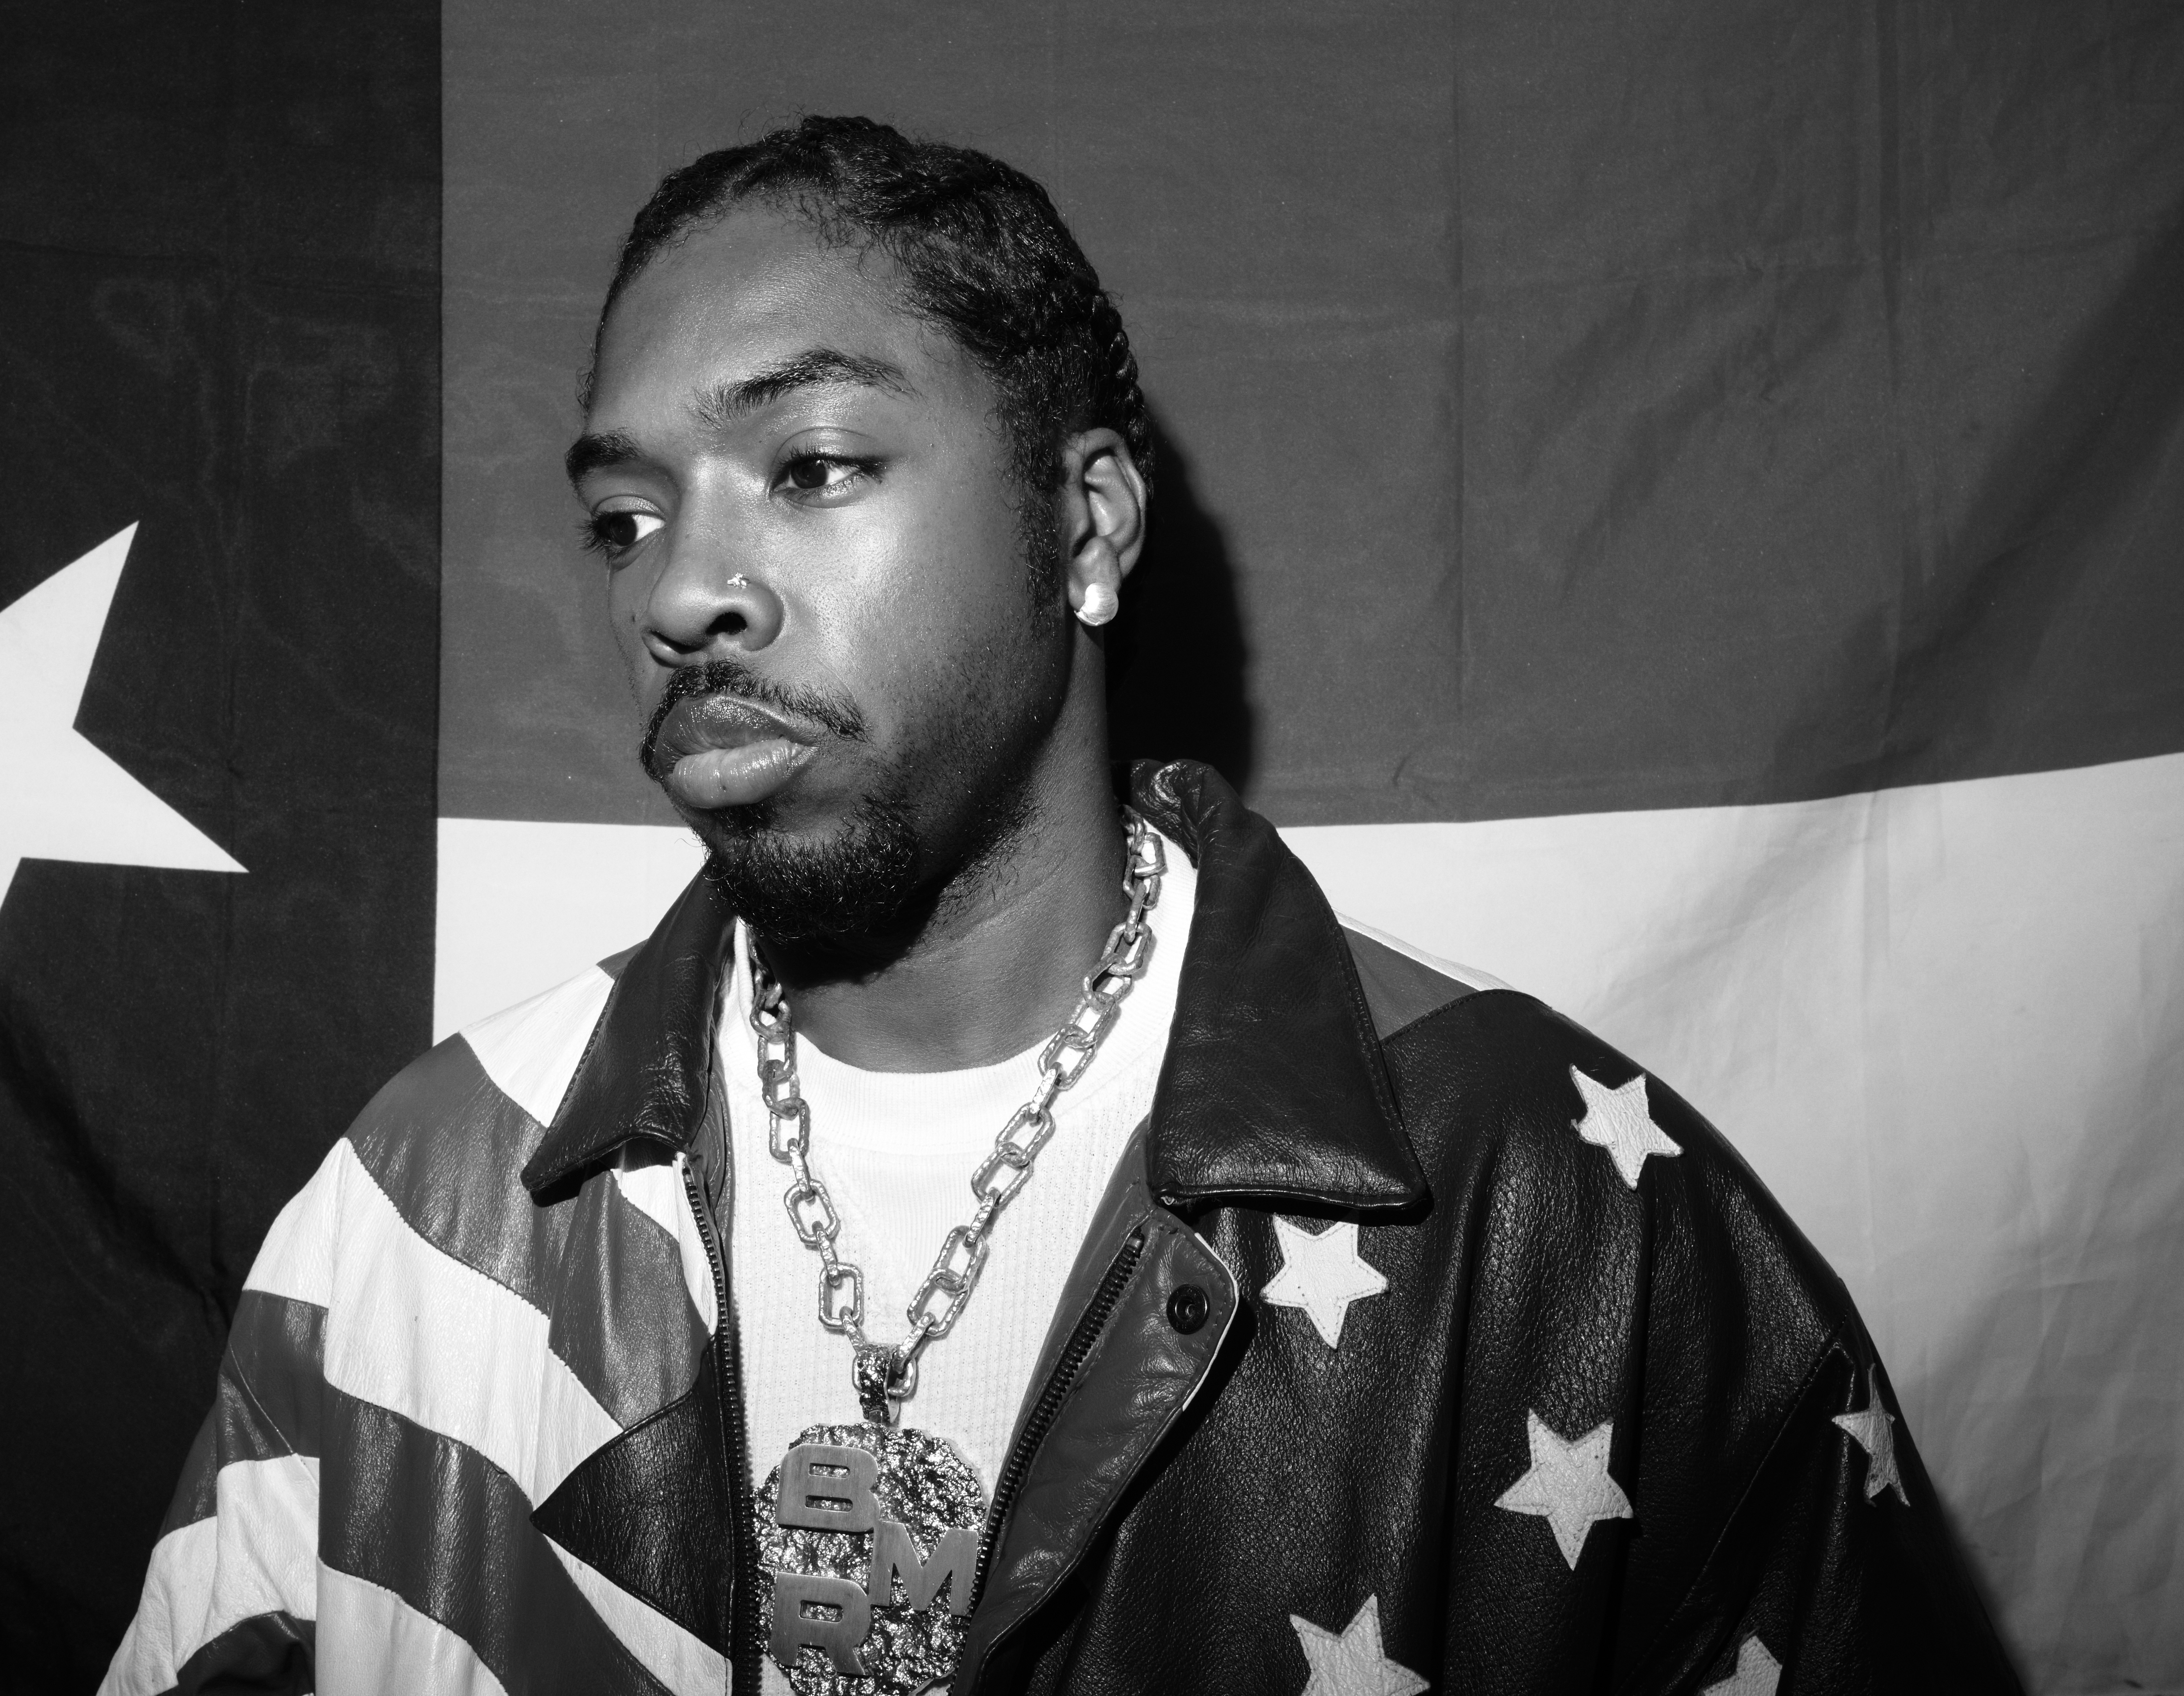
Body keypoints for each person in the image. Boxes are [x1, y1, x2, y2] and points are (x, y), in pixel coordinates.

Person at [101, 116, 2020, 1696]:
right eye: (625, 514)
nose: (679, 588)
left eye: (813, 465)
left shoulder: (1555, 1207)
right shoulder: (429, 1203)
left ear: (1086, 527)